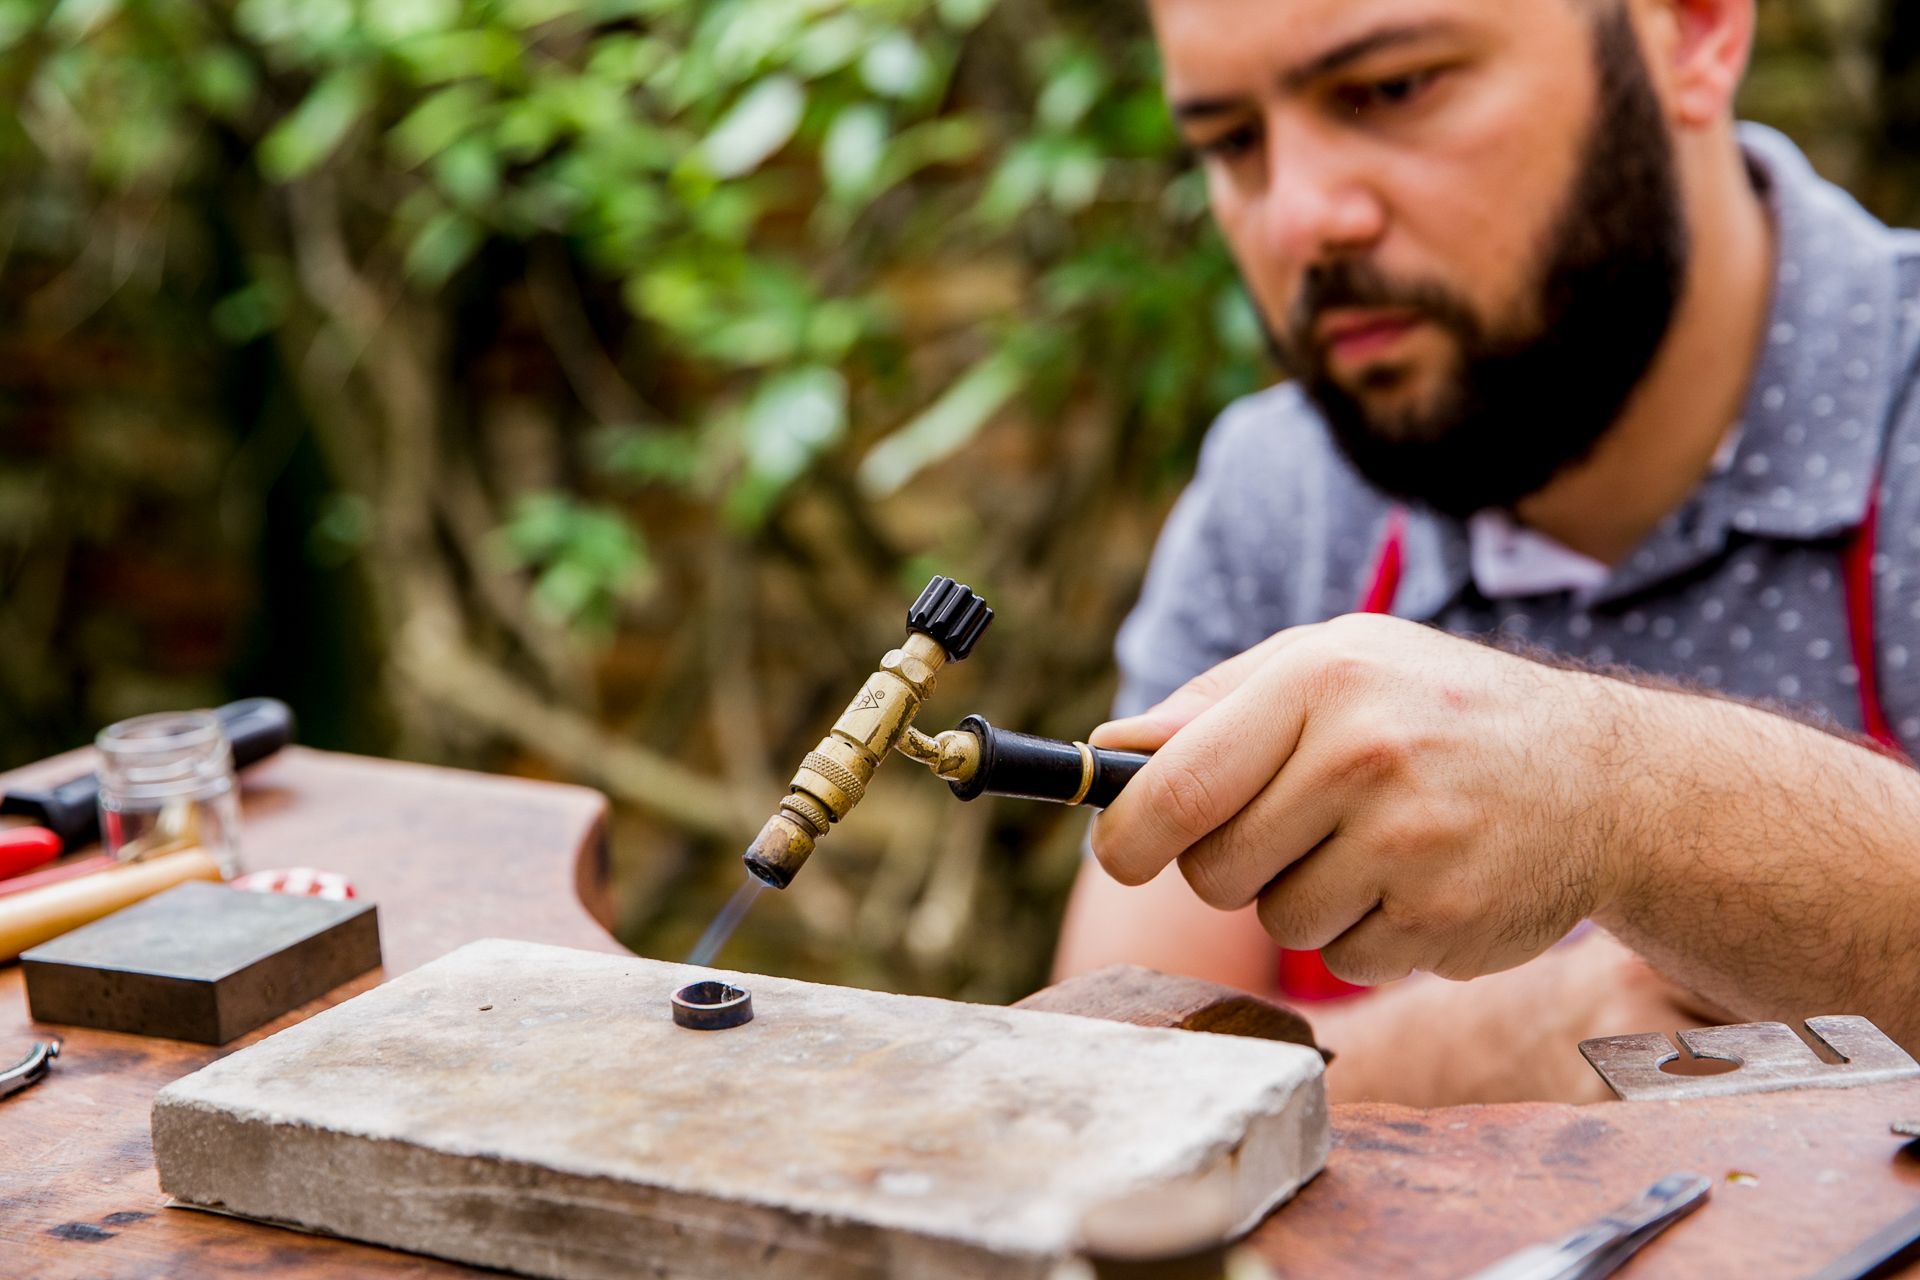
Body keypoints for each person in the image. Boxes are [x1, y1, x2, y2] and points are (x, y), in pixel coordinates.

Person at [1052, 0, 1920, 1106]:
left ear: (1692, 32)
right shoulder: (1285, 497)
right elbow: (1101, 1090)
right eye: (1232, 142)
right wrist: (1506, 1043)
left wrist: (1622, 798)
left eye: (1397, 88)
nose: (1302, 220)